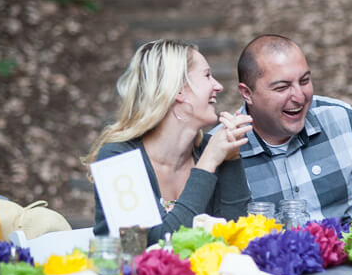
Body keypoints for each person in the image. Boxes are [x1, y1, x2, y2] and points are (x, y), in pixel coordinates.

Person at [85, 39, 253, 245]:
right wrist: (207, 163)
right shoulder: (118, 158)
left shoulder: (210, 150)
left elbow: (237, 234)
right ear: (178, 90)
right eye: (207, 75)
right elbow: (141, 247)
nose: (218, 86)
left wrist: (232, 158)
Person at [231, 34, 352, 222]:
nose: (299, 97)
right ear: (247, 93)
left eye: (304, 81)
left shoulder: (340, 119)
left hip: (342, 249)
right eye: (282, 87)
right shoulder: (222, 148)